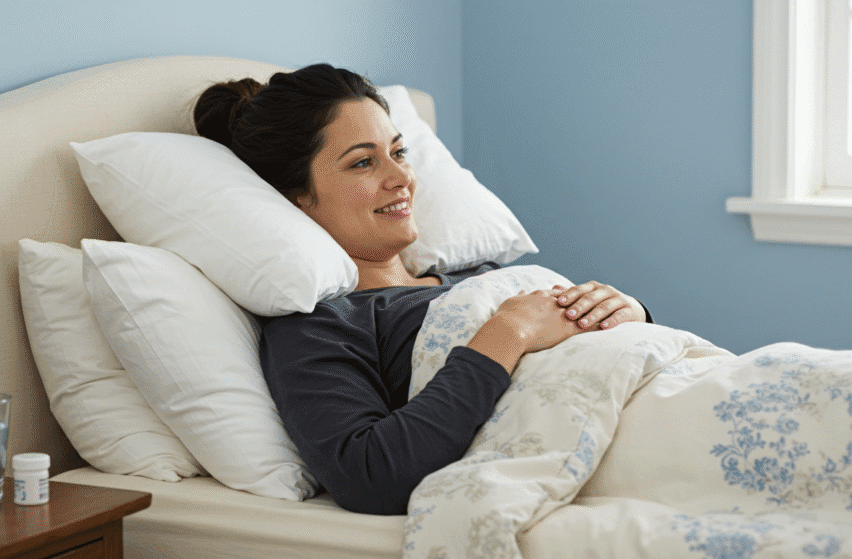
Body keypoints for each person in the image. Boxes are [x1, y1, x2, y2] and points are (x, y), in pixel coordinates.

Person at [194, 64, 650, 515]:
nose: (401, 178)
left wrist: (628, 314)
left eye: (398, 152)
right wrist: (508, 333)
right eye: (362, 162)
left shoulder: (480, 275)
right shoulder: (320, 324)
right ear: (295, 197)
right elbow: (369, 475)